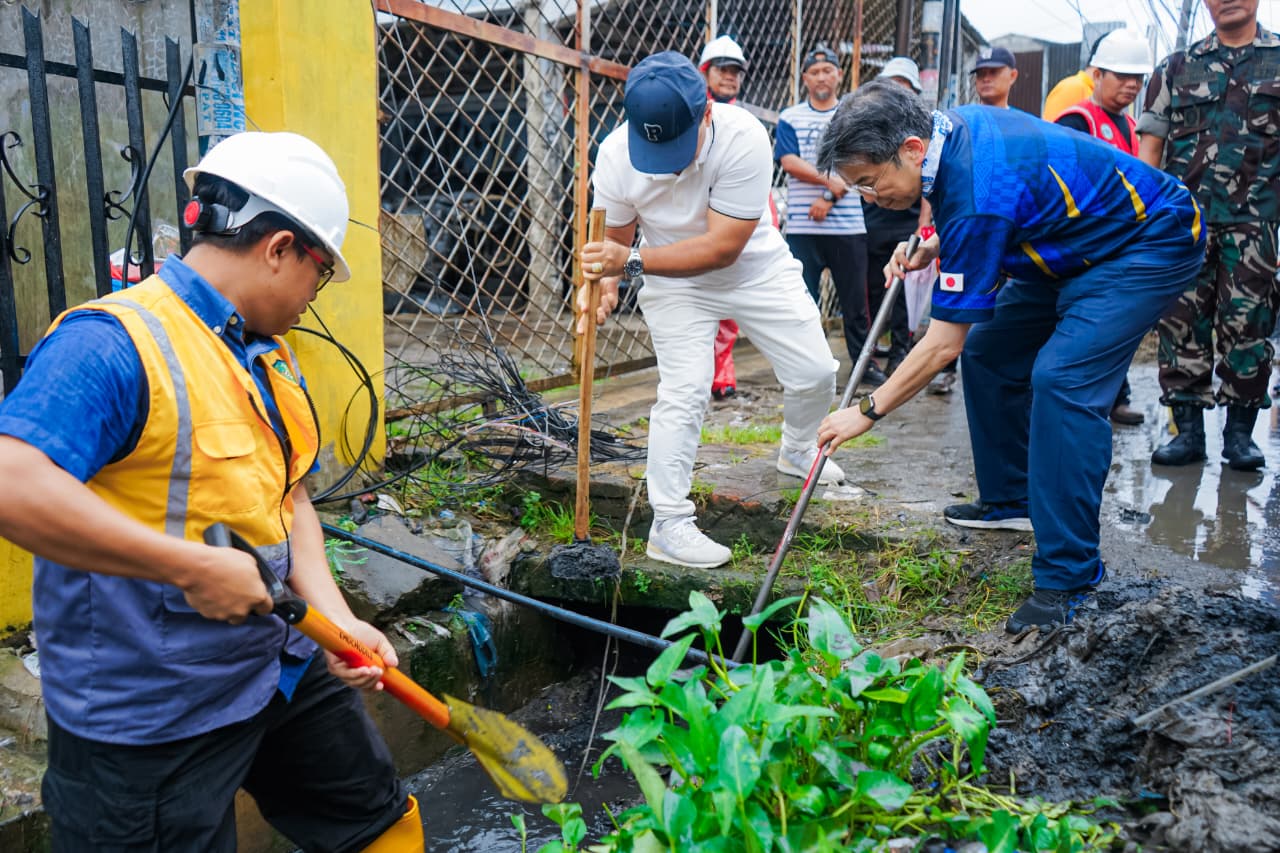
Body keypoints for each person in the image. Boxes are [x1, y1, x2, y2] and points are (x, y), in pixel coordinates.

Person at [0, 132, 422, 852]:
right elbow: (12, 481)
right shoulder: (113, 343)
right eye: (319, 278)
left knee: (376, 817)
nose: (312, 300)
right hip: (152, 717)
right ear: (280, 247)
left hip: (274, 669)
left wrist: (334, 613)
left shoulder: (268, 355)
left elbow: (289, 499)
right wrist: (190, 567)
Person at [814, 81, 1205, 632]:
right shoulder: (951, 132)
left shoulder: (976, 193)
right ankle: (1010, 500)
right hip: (1069, 241)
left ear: (912, 149)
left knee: (1063, 381)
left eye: (871, 184)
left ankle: (1068, 574)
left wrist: (866, 411)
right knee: (991, 351)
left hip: (1146, 240)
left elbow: (942, 342)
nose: (870, 198)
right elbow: (992, 203)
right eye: (858, 189)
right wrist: (936, 239)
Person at [580, 51, 841, 569]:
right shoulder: (614, 153)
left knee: (815, 373)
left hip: (755, 269)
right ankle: (669, 524)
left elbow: (723, 247)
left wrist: (627, 262)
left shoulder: (742, 137)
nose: (668, 165)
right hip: (674, 285)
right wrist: (606, 284)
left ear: (705, 113)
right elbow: (614, 236)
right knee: (685, 390)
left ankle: (796, 448)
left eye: (677, 147)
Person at [1138, 0, 1280, 472]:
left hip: (1257, 222)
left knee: (1249, 325)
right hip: (1184, 223)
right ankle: (1188, 433)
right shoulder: (1176, 68)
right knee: (1181, 322)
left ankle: (1240, 436)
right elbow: (1150, 151)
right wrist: (1140, 223)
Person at [1054, 28, 1154, 427]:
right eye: (1121, 76)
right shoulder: (1078, 120)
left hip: (1119, 246)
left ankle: (1115, 397)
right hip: (1081, 245)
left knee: (1116, 328)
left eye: (1138, 79)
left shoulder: (1131, 128)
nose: (1131, 85)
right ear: (1096, 75)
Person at [777, 45, 883, 386]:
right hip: (802, 228)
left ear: (838, 75)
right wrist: (832, 183)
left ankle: (864, 366)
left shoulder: (854, 114)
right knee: (801, 303)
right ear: (805, 78)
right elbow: (789, 162)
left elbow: (863, 162)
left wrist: (827, 196)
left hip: (847, 227)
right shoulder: (790, 117)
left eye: (828, 70)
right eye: (814, 72)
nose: (821, 76)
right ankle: (804, 368)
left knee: (855, 306)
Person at [698, 34, 780, 400]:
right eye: (722, 69)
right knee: (700, 304)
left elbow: (759, 177)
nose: (730, 76)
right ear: (705, 72)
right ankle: (701, 375)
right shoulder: (691, 111)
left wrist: (771, 218)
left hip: (738, 220)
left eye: (736, 71)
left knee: (730, 306)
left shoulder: (747, 120)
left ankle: (722, 375)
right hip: (700, 220)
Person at [864, 57, 932, 377]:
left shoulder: (923, 129)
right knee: (875, 287)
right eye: (890, 84)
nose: (896, 91)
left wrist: (924, 223)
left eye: (903, 86)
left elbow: (932, 182)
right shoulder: (867, 126)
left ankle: (900, 352)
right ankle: (874, 348)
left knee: (903, 290)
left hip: (908, 219)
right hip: (874, 219)